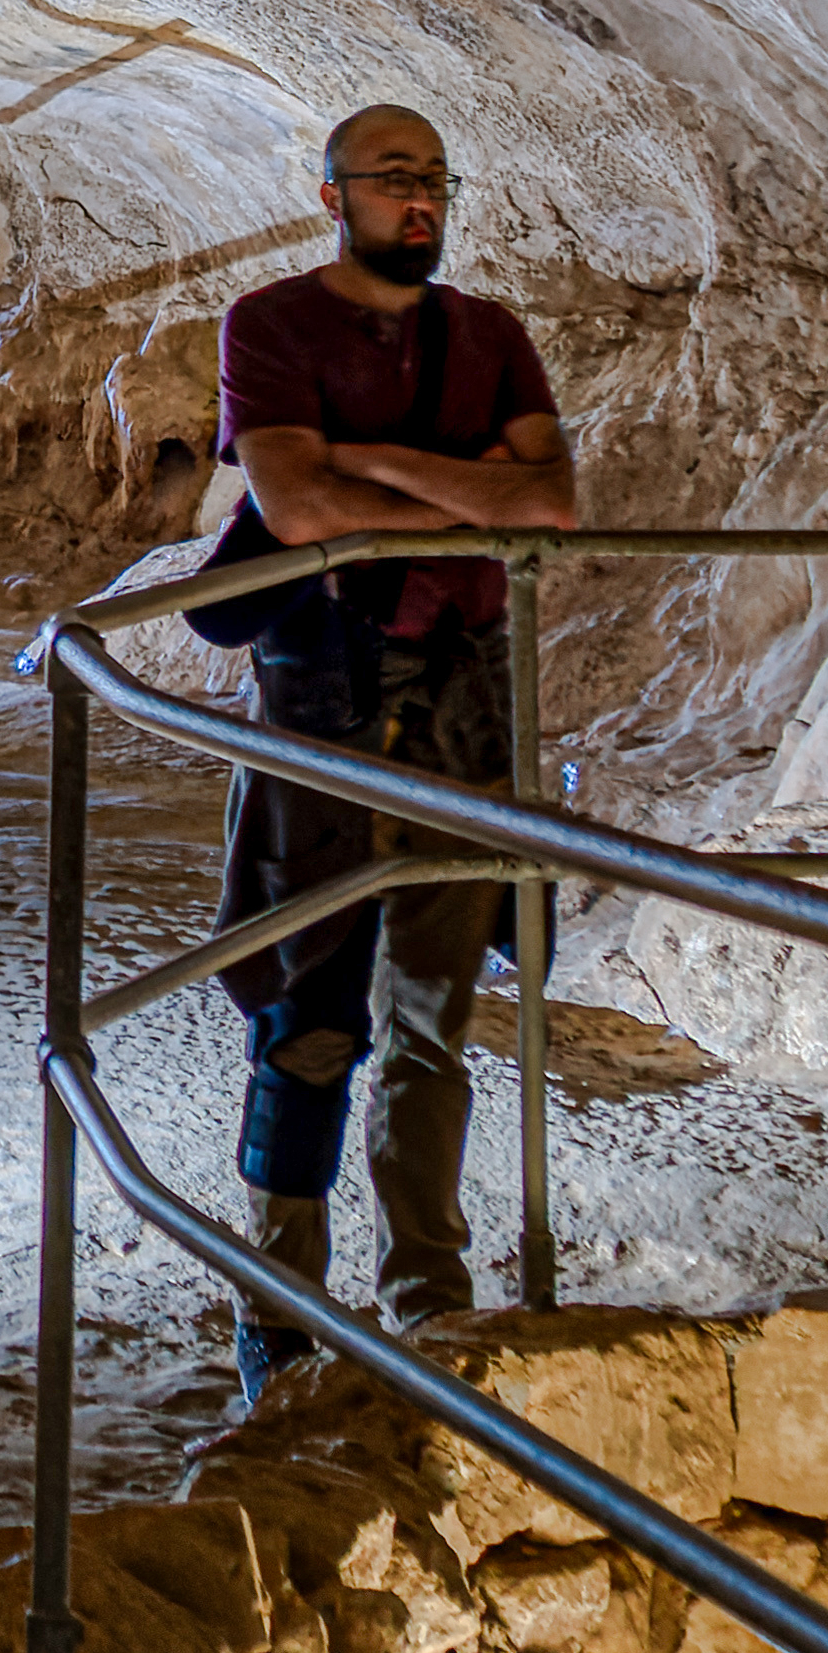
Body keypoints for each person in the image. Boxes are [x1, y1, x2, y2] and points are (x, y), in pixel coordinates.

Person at [190, 103, 578, 1405]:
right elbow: (296, 506)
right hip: (327, 717)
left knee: (433, 1024)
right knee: (308, 1026)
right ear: (333, 196)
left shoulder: (491, 335)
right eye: (393, 178)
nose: (420, 201)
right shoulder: (271, 326)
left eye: (434, 181)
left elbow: (548, 503)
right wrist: (457, 483)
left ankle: (429, 1297)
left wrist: (366, 461)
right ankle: (281, 1315)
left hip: (461, 713)